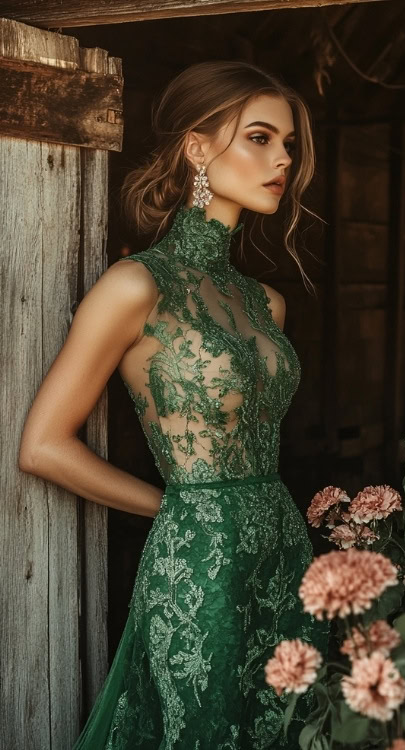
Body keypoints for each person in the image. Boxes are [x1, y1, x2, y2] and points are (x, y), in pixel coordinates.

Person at [18, 60, 330, 749]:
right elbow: (43, 445)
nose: (282, 157)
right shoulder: (136, 286)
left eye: (288, 144)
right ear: (196, 147)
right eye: (259, 136)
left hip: (284, 556)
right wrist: (176, 507)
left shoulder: (265, 302)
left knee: (296, 729)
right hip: (199, 568)